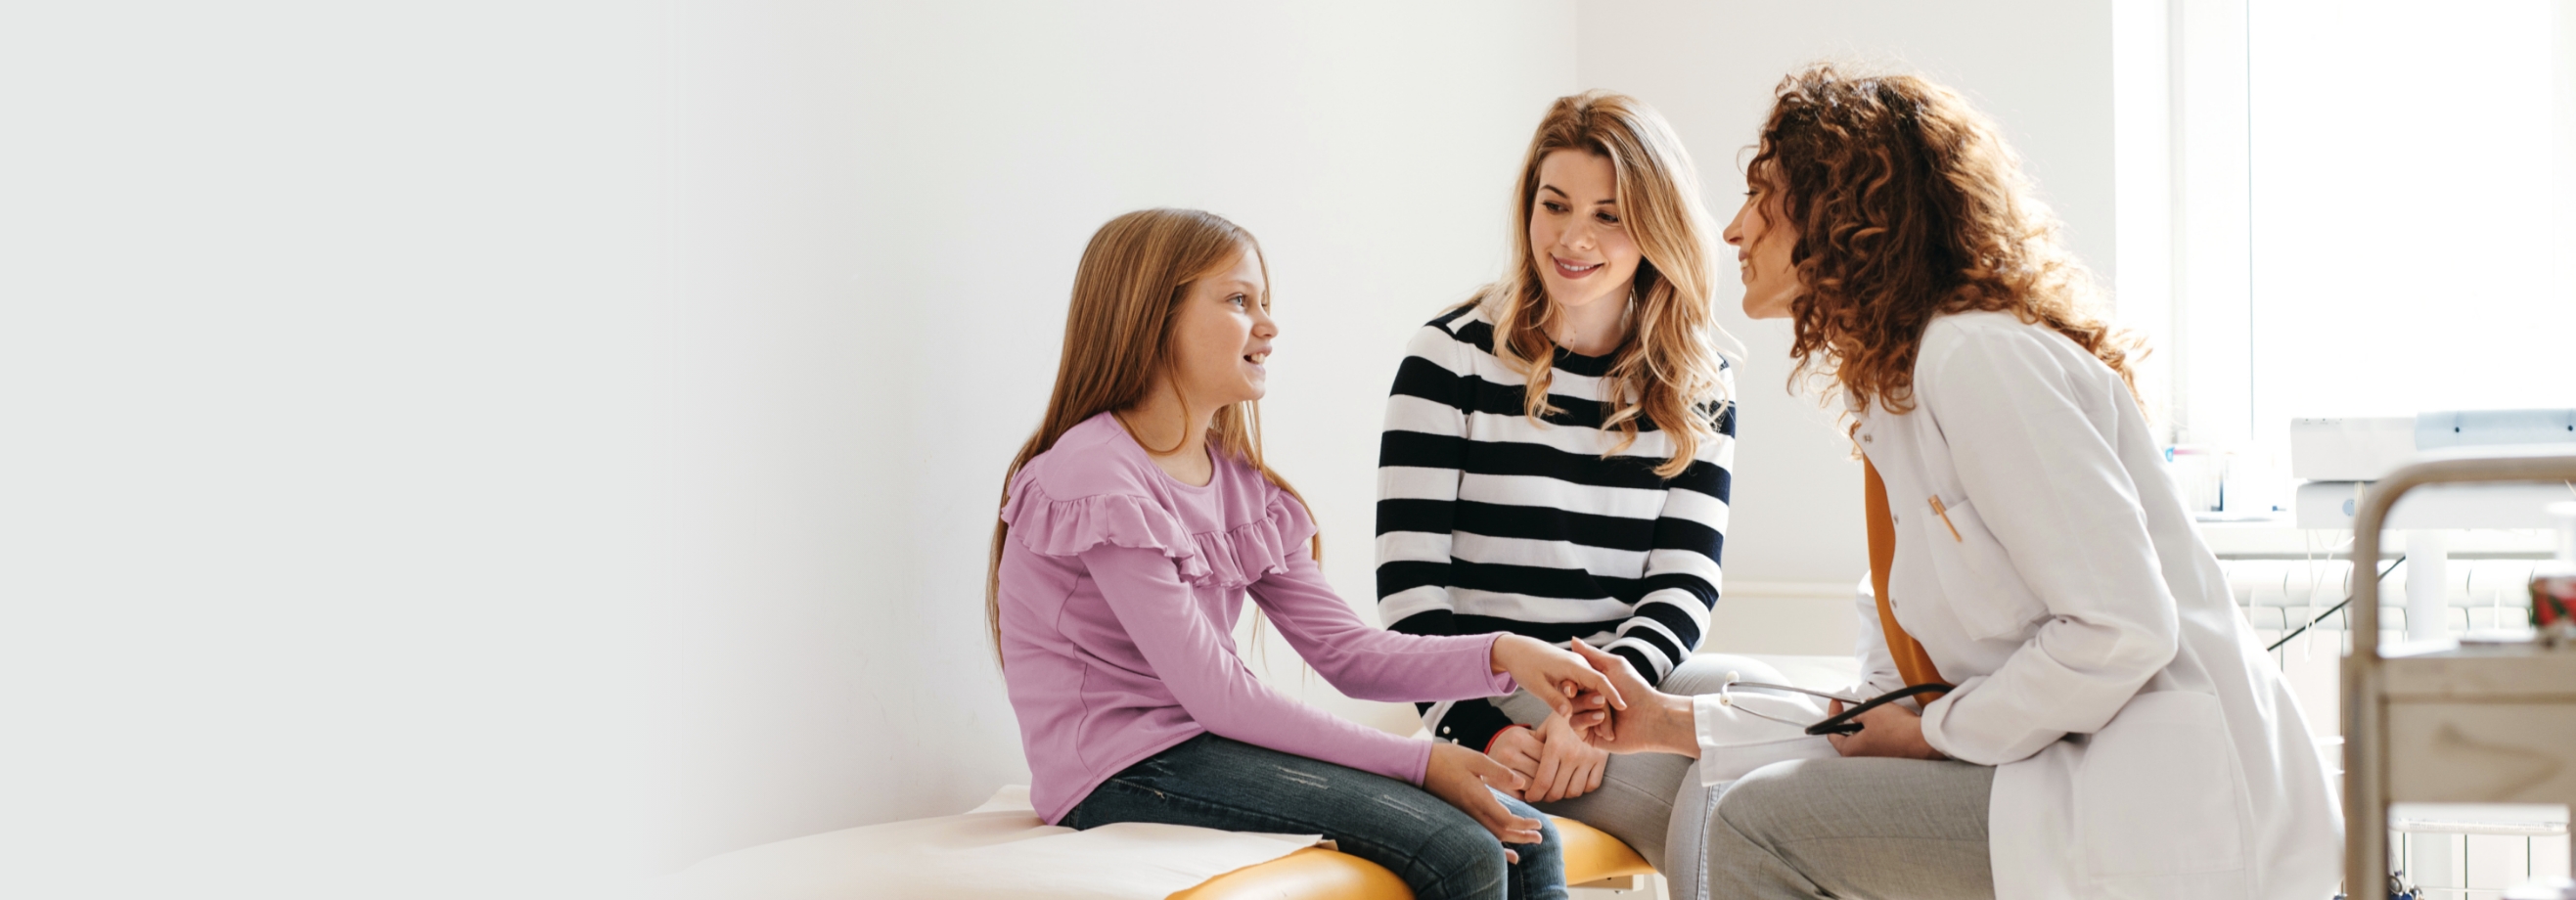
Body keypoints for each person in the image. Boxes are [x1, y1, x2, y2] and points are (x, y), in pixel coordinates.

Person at [1560, 65, 2344, 900]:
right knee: (1755, 812)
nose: (1734, 229)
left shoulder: (1978, 359)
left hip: (2170, 809)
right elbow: (1877, 711)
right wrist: (1662, 722)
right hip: (2064, 788)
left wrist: (1935, 733)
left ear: (1841, 211)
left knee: (1755, 824)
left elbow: (2122, 630)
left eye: (1765, 194)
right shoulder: (1897, 401)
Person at [990, 207, 1631, 900]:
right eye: (1240, 301)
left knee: (1529, 842)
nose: (1268, 326)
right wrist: (1420, 763)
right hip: (1116, 774)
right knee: (1468, 854)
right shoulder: (1096, 475)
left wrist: (1504, 652)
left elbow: (1350, 654)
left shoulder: (1240, 487)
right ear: (1153, 316)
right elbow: (1220, 697)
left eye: (1266, 304)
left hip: (1202, 750)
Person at [1375, 90, 1773, 892]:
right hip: (1501, 681)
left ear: (1655, 229)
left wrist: (1603, 703)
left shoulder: (1701, 382)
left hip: (1624, 679)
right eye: (1554, 206)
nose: (1573, 238)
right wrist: (1478, 731)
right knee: (1732, 806)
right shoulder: (1448, 360)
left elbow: (1685, 584)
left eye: (1609, 215)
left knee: (1771, 712)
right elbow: (1409, 592)